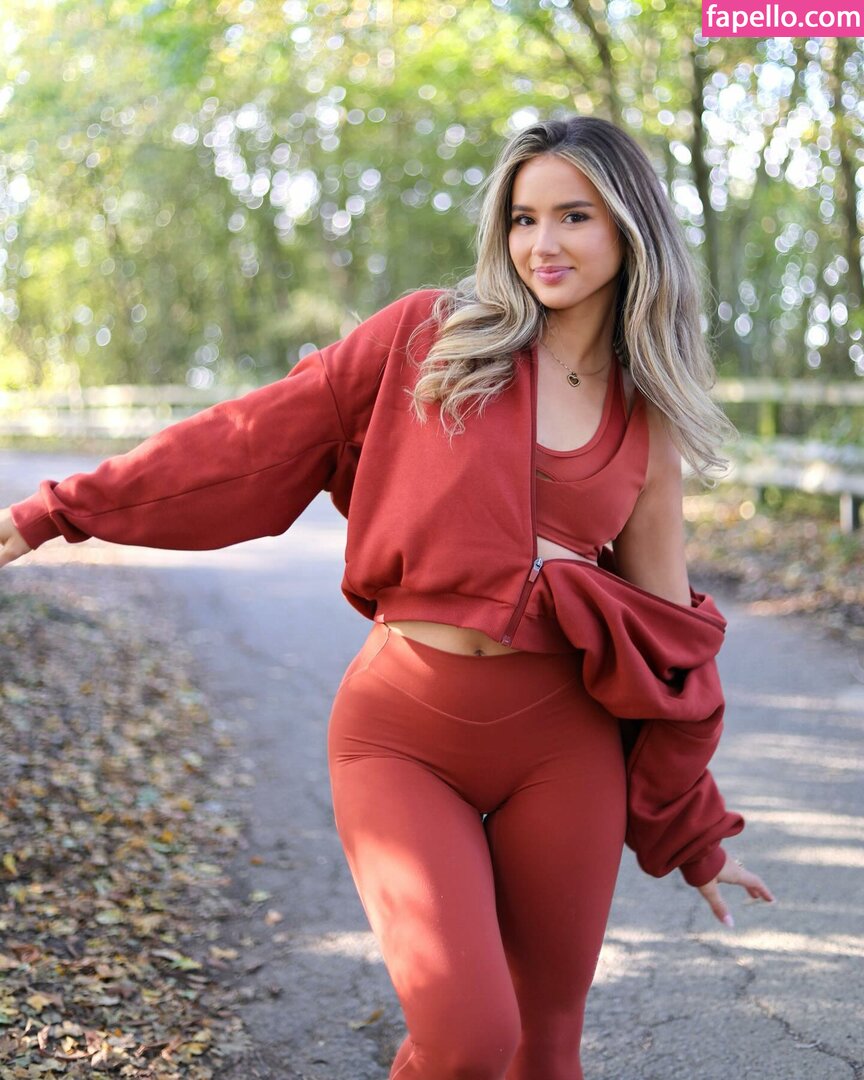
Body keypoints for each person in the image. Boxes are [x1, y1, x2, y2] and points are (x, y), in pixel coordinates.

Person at [0, 115, 774, 1079]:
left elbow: (664, 648)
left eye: (573, 216)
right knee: (466, 1041)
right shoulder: (429, 337)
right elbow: (249, 439)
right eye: (523, 218)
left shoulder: (644, 419)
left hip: (564, 747)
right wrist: (58, 510)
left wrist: (694, 833)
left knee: (545, 1049)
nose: (542, 243)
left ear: (630, 227)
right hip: (402, 735)